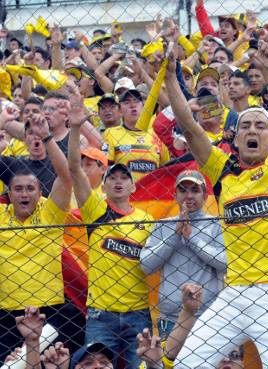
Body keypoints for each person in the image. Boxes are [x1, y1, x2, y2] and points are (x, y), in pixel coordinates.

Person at [166, 36, 268, 368]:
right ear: (236, 137)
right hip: (235, 293)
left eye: (260, 126)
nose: (252, 130)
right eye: (246, 126)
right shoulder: (223, 170)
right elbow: (188, 125)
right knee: (187, 365)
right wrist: (171, 78)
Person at [67, 96, 154, 369]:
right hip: (101, 316)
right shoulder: (95, 211)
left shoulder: (148, 220)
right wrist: (74, 129)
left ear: (133, 188)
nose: (118, 182)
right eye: (112, 178)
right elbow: (73, 170)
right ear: (103, 187)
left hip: (138, 315)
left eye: (124, 178)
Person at [0, 113, 74, 363]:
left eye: (30, 188)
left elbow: (66, 177)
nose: (24, 194)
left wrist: (46, 137)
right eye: (17, 189)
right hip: (6, 313)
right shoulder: (1, 213)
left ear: (41, 192)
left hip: (49, 310)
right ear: (8, 194)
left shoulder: (50, 210)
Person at [141, 170, 226, 338]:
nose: (189, 195)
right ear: (175, 195)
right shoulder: (162, 225)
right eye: (183, 190)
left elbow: (225, 263)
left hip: (208, 317)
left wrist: (192, 238)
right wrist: (174, 235)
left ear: (206, 196)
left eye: (195, 190)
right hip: (171, 319)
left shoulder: (216, 224)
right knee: (170, 364)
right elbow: (146, 265)